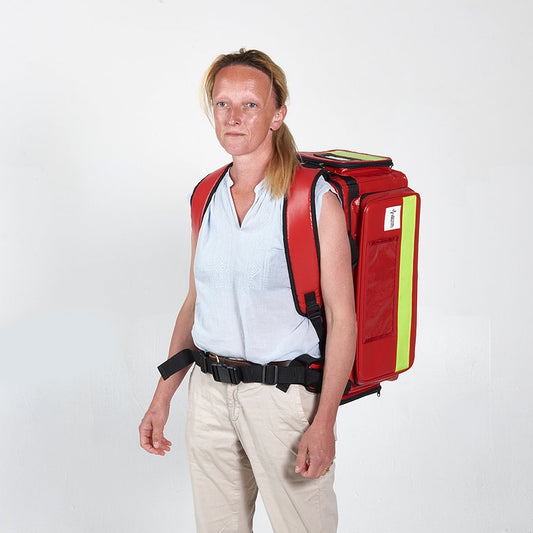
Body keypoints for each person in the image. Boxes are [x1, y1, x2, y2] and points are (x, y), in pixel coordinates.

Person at [139, 48, 356, 533]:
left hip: (284, 401)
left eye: (250, 105)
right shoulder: (205, 195)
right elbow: (196, 302)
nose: (233, 116)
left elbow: (344, 319)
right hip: (209, 397)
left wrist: (324, 423)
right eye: (222, 103)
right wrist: (162, 396)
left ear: (278, 114)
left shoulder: (312, 200)